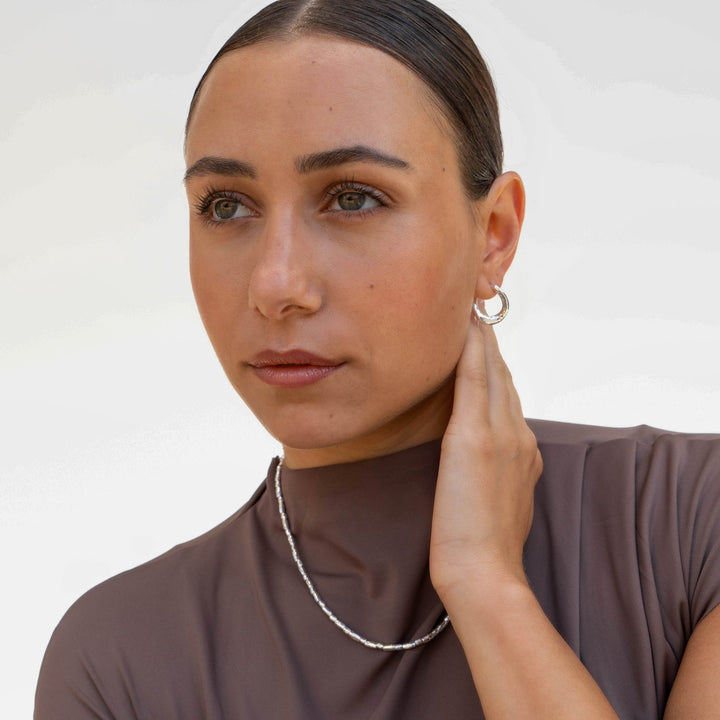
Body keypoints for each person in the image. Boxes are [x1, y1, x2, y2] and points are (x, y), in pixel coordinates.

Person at [34, 0, 720, 718]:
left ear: (493, 234)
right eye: (227, 206)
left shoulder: (691, 524)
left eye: (353, 198)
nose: (275, 285)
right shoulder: (119, 660)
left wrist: (488, 587)